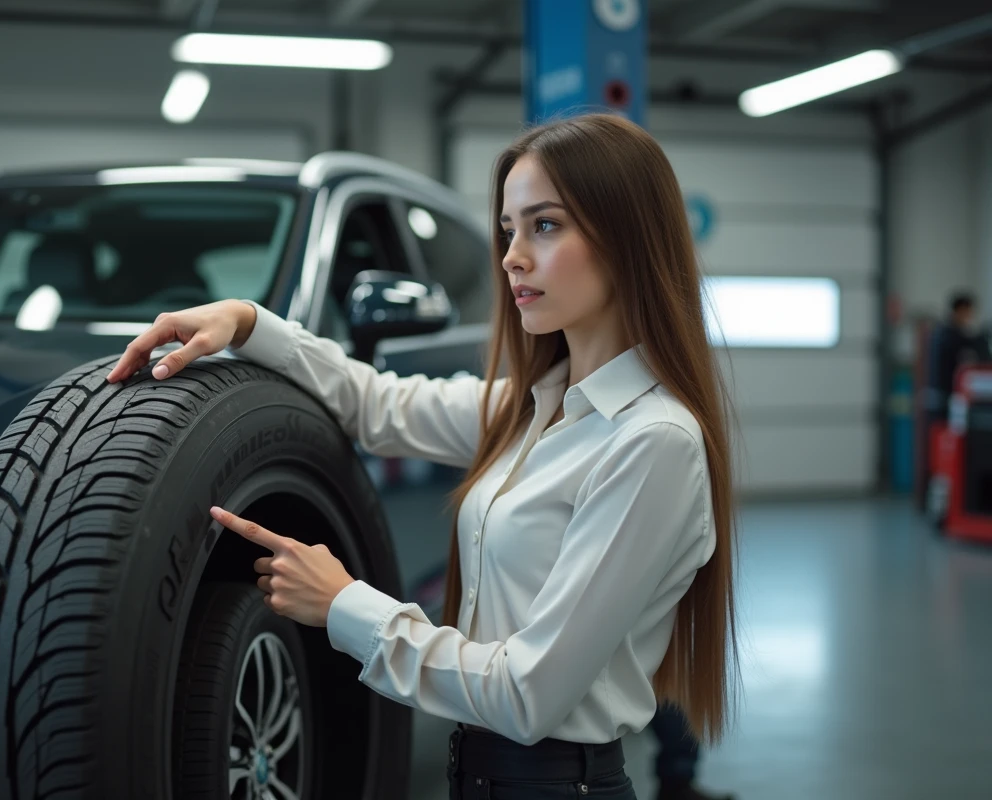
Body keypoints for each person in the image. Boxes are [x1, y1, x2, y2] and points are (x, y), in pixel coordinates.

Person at [107, 113, 739, 800]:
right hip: (481, 777)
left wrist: (344, 603)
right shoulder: (530, 407)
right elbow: (376, 403)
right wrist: (248, 322)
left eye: (545, 226)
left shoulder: (651, 443)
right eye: (509, 230)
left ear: (627, 240)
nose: (512, 257)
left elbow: (526, 696)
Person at [926, 292, 991, 422]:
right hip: (943, 398)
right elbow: (969, 344)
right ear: (960, 310)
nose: (969, 317)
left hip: (944, 397)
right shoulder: (947, 335)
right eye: (968, 312)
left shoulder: (945, 333)